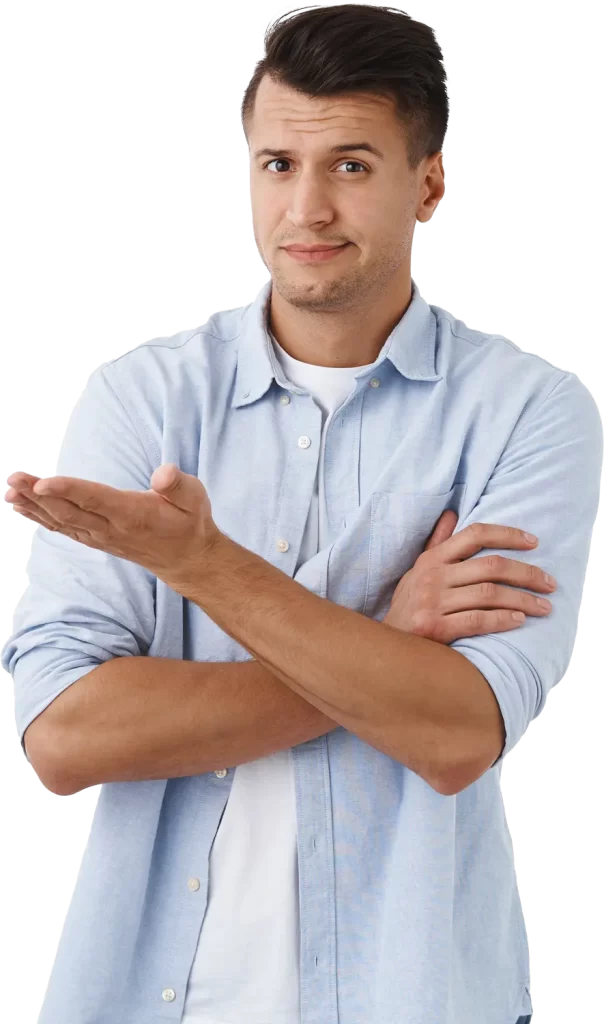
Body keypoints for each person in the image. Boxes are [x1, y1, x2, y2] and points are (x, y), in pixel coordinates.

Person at [1, 5, 601, 1023]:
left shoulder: (528, 410)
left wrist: (202, 566)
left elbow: (458, 731)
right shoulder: (141, 398)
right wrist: (387, 643)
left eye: (351, 166)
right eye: (278, 164)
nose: (307, 208)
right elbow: (64, 737)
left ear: (429, 185)